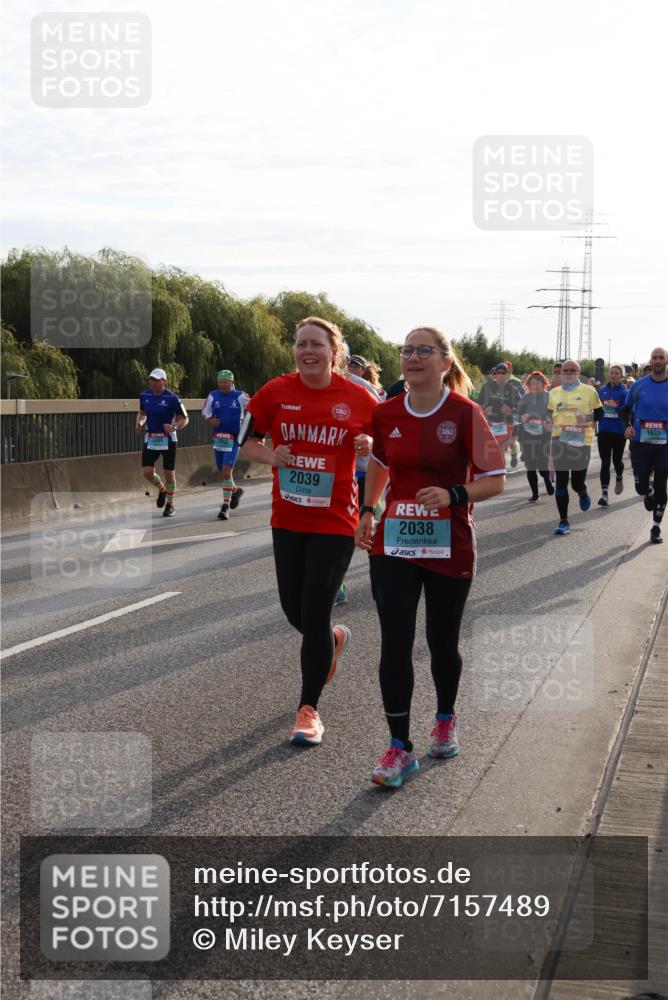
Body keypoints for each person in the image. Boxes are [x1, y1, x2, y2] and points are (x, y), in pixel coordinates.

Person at [355, 327, 506, 788]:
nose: (413, 357)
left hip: (450, 541)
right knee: (395, 642)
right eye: (407, 350)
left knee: (443, 642)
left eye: (424, 350)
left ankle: (445, 717)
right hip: (396, 541)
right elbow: (380, 464)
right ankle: (399, 746)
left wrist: (453, 493)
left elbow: (495, 477)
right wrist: (367, 509)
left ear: (445, 361)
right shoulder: (385, 413)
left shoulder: (464, 413)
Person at [239, 317, 378, 744]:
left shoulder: (359, 396)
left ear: (334, 352)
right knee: (292, 610)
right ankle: (332, 640)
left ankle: (308, 710)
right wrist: (271, 457)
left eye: (317, 344)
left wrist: (370, 448)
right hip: (288, 517)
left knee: (315, 611)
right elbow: (244, 442)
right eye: (301, 344)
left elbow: (388, 448)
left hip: (335, 519)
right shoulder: (275, 392)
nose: (308, 351)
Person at [547, 360, 603, 535]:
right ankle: (563, 521)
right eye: (565, 370)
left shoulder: (589, 391)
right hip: (559, 441)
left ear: (578, 372)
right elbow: (550, 414)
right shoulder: (554, 392)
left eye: (572, 370)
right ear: (561, 373)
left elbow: (599, 413)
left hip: (581, 442)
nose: (569, 373)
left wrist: (586, 418)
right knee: (561, 483)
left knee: (577, 483)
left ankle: (582, 491)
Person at [622, 346, 668, 544]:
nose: (657, 360)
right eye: (654, 357)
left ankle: (656, 528)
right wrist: (628, 426)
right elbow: (625, 410)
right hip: (640, 442)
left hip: (664, 444)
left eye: (661, 357)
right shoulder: (638, 386)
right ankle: (646, 492)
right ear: (650, 361)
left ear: (666, 361)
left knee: (661, 485)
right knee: (641, 486)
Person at [136, 368, 189, 517]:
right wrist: (140, 423)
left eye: (157, 380)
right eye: (152, 380)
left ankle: (170, 505)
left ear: (164, 381)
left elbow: (185, 419)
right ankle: (162, 489)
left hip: (168, 439)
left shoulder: (172, 398)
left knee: (169, 474)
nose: (154, 383)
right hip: (151, 437)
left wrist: (174, 427)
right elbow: (142, 413)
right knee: (147, 472)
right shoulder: (144, 395)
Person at [202, 369, 249, 520]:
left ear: (232, 382)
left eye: (226, 381)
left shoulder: (240, 396)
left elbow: (255, 407)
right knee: (223, 472)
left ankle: (225, 507)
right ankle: (235, 491)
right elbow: (205, 412)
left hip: (234, 438)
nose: (223, 384)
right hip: (219, 438)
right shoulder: (213, 395)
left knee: (226, 470)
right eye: (220, 381)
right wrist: (210, 420)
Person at [516, 371, 554, 501]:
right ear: (528, 385)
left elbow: (553, 413)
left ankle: (548, 482)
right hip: (527, 435)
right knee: (530, 465)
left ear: (543, 384)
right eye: (532, 384)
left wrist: (549, 420)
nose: (535, 386)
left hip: (544, 435)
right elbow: (517, 415)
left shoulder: (549, 396)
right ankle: (535, 494)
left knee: (542, 465)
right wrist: (522, 417)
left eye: (538, 383)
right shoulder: (525, 398)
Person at [596, 364, 628, 507]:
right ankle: (604, 494)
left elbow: (628, 411)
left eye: (617, 373)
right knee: (605, 462)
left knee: (617, 461)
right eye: (612, 373)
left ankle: (619, 476)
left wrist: (617, 406)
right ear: (609, 375)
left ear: (621, 376)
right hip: (604, 431)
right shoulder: (602, 391)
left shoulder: (625, 392)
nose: (614, 375)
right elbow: (596, 411)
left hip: (619, 432)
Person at [477, 363, 521, 465]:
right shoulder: (487, 387)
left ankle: (501, 473)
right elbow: (479, 404)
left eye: (503, 373)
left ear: (507, 374)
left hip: (505, 424)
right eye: (498, 373)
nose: (501, 375)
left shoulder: (511, 389)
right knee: (490, 451)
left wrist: (511, 410)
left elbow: (520, 407)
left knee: (501, 449)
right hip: (490, 422)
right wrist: (484, 409)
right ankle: (495, 473)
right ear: (495, 374)